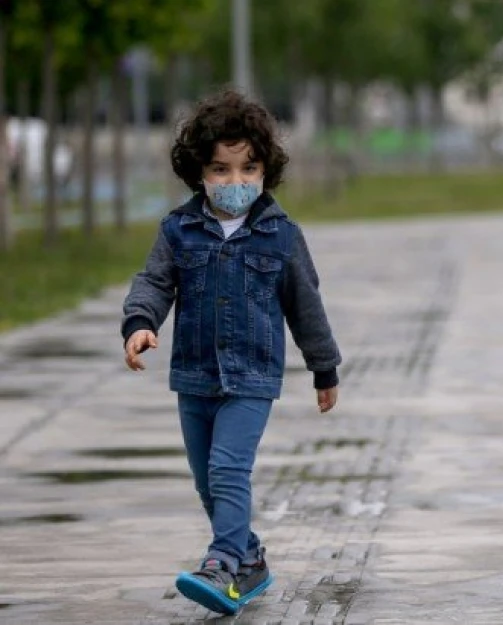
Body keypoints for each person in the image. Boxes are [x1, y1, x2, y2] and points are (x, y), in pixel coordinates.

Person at [120, 88, 342, 615]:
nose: (235, 183)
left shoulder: (281, 236)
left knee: (227, 470)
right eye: (221, 170)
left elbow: (305, 304)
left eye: (248, 170)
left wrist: (324, 367)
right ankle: (250, 556)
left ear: (266, 170)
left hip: (251, 379)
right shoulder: (178, 231)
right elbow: (153, 282)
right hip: (194, 378)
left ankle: (222, 568)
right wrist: (140, 323)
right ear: (198, 172)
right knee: (208, 484)